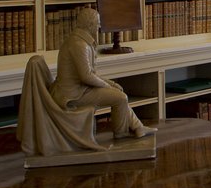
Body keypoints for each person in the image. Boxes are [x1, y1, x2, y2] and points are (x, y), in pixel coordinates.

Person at [51, 8, 156, 139]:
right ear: (90, 25)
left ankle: (137, 127)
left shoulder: (80, 41)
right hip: (74, 95)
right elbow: (87, 76)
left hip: (80, 89)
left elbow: (90, 73)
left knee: (119, 93)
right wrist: (108, 87)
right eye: (98, 23)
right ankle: (122, 134)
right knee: (120, 97)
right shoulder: (79, 45)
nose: (99, 27)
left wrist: (111, 83)